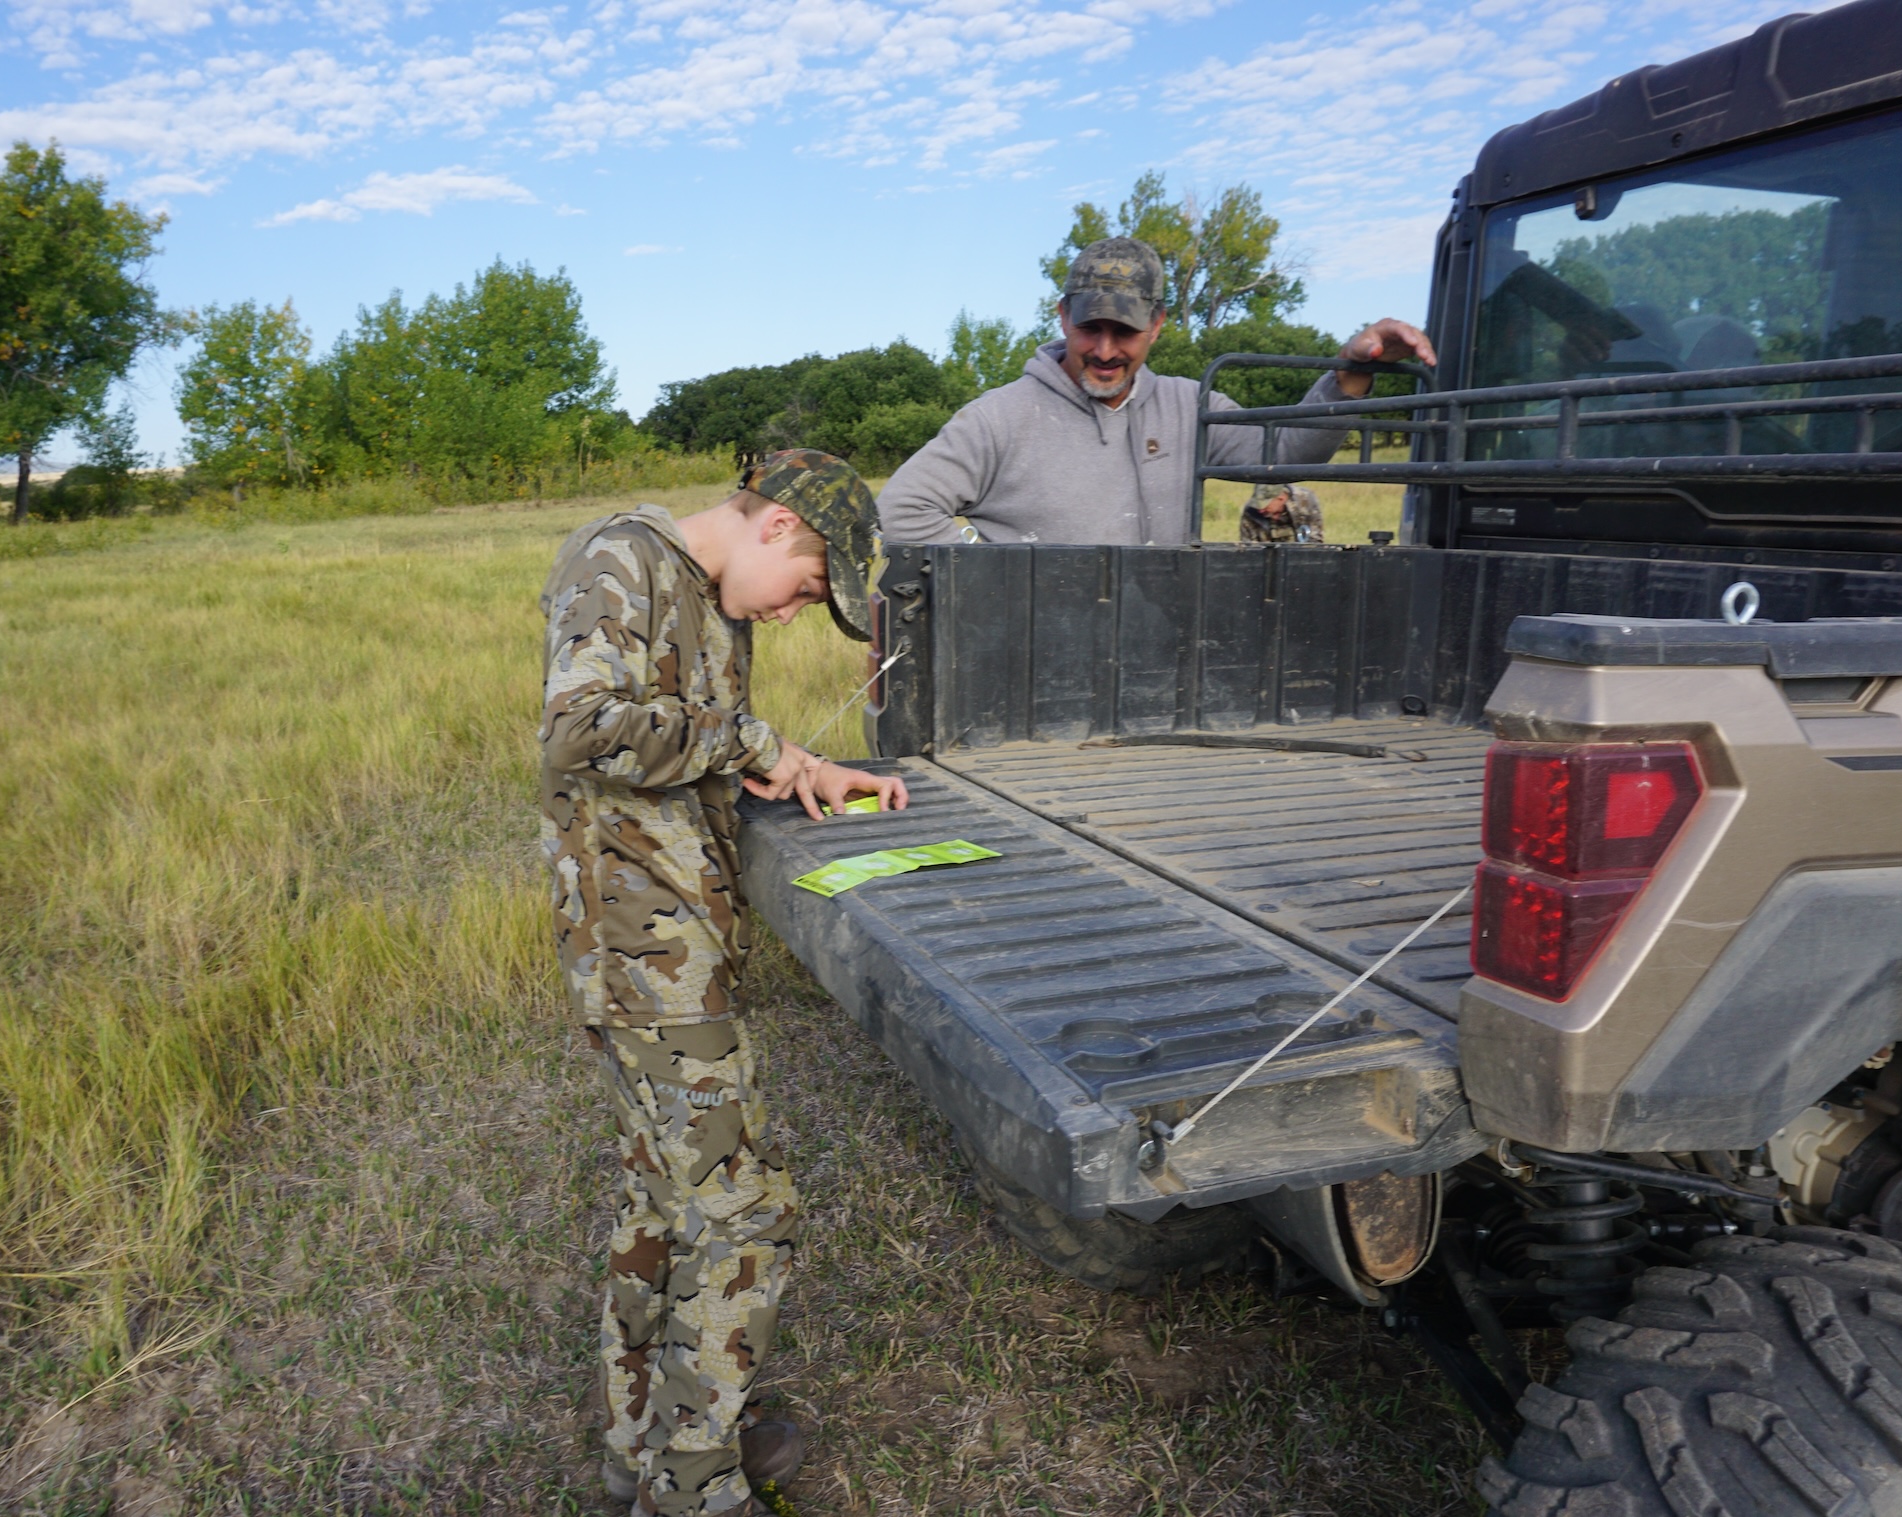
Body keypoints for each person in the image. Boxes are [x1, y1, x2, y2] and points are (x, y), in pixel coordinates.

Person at [539, 450, 909, 1517]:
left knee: (666, 1198)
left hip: (672, 948)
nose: (796, 614)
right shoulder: (619, 558)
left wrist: (800, 766)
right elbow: (578, 726)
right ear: (776, 523)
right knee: (744, 1214)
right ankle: (694, 1489)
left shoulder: (708, 596)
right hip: (640, 956)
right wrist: (747, 735)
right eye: (805, 588)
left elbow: (694, 746)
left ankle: (638, 1446)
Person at [877, 236, 1437, 547]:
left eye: (1123, 332)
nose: (1103, 350)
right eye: (1087, 328)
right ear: (1061, 315)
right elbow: (902, 508)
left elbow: (1285, 453)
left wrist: (1350, 374)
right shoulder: (998, 418)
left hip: (1160, 665)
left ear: (1159, 324)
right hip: (1037, 671)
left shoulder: (1188, 405)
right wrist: (994, 579)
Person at [1239, 483, 1323, 543]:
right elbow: (1249, 549)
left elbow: (1314, 542)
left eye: (1265, 505)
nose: (1260, 510)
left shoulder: (1305, 500)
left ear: (1281, 498)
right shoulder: (1251, 511)